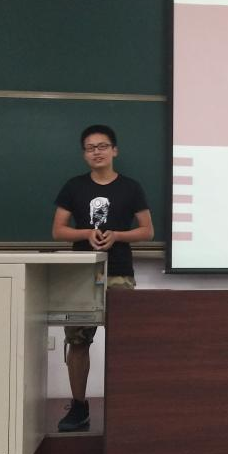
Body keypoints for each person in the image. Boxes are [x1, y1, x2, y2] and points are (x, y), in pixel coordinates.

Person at [52, 124, 153, 432]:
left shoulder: (131, 187)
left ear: (114, 150)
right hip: (81, 272)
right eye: (90, 148)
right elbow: (58, 230)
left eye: (102, 146)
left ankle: (125, 405)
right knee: (78, 341)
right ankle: (79, 406)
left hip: (119, 272)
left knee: (124, 341)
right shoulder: (74, 186)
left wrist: (117, 236)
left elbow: (147, 231)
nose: (96, 152)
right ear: (84, 154)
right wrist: (86, 233)